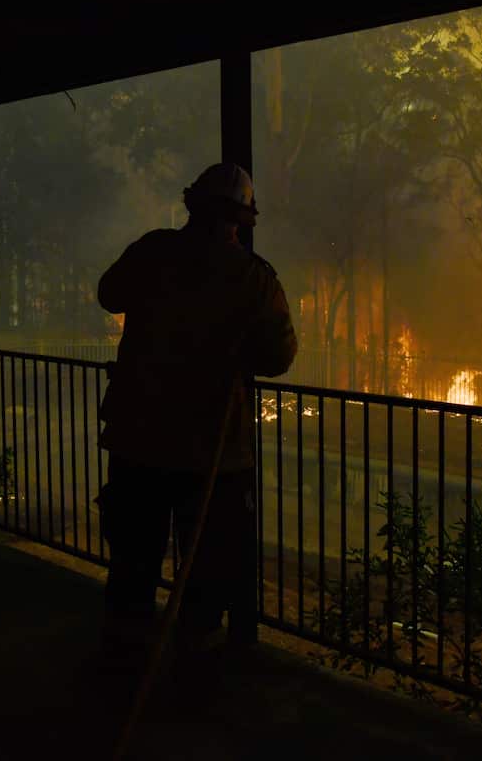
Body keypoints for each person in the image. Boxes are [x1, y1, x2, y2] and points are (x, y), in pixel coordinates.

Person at [95, 162, 296, 661]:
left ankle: (124, 665)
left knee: (133, 564)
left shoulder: (152, 252)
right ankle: (192, 673)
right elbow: (279, 358)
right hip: (211, 453)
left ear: (192, 205)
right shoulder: (254, 280)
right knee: (205, 574)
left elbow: (108, 294)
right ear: (242, 221)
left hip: (137, 441)